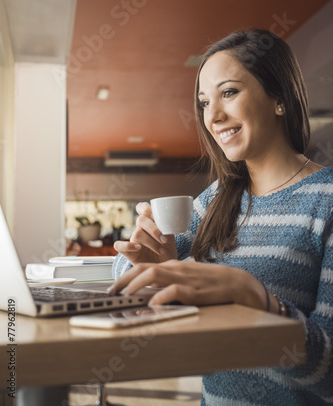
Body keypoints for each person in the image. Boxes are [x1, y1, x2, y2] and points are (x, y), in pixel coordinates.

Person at [110, 29, 333, 405]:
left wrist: (264, 305)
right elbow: (125, 275)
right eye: (203, 102)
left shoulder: (326, 200)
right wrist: (143, 262)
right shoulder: (216, 199)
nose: (212, 116)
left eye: (229, 93)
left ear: (279, 98)